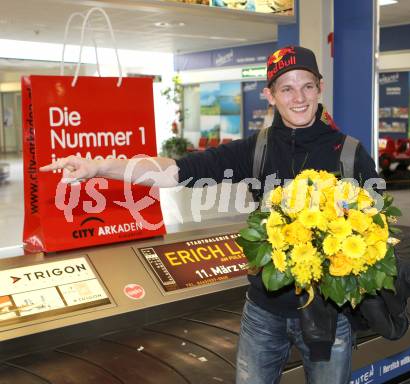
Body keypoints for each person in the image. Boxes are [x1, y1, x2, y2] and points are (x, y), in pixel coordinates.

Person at [41, 45, 380, 384]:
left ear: (320, 87)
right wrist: (99, 166)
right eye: (286, 88)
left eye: (307, 85)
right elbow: (175, 171)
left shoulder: (349, 153)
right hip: (264, 312)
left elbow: (378, 229)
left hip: (329, 315)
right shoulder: (256, 148)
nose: (299, 97)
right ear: (270, 95)